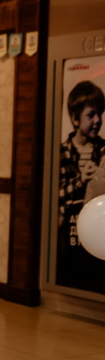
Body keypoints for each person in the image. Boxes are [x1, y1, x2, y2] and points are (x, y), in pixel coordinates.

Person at [57, 79, 105, 290]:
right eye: (91, 115)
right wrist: (81, 180)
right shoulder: (61, 152)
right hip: (69, 232)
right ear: (75, 119)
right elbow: (55, 194)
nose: (98, 120)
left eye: (100, 114)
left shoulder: (103, 150)